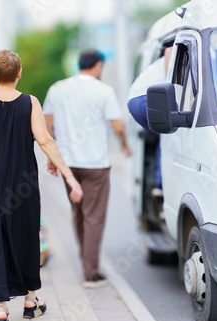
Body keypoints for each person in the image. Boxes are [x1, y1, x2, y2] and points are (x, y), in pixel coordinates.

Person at [0, 50, 83, 321]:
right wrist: (69, 176)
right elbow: (46, 141)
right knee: (25, 238)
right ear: (19, 73)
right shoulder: (30, 102)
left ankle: (1, 313)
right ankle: (30, 300)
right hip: (22, 185)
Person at [43, 49, 131, 288]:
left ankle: (87, 260)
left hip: (68, 165)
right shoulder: (103, 91)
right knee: (94, 217)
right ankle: (91, 272)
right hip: (95, 164)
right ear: (98, 66)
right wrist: (125, 145)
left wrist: (53, 155)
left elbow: (47, 127)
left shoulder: (57, 89)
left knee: (79, 213)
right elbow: (118, 126)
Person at [127, 47, 172, 195]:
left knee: (166, 137)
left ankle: (159, 186)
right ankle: (163, 185)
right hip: (147, 98)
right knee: (174, 135)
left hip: (135, 100)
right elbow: (169, 50)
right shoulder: (183, 45)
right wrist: (169, 83)